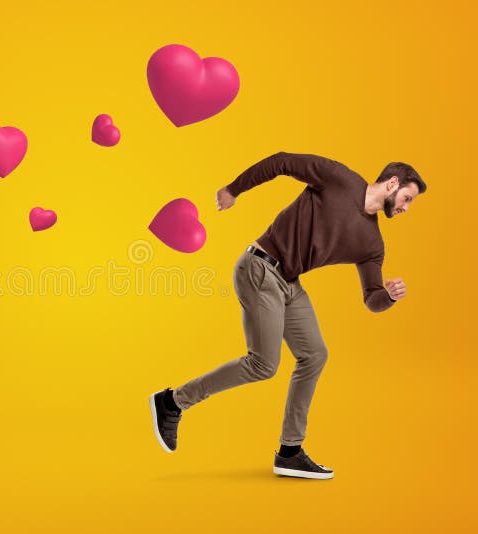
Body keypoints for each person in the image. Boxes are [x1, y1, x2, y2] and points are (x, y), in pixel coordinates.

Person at [150, 152, 426, 479]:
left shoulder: (372, 243)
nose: (406, 207)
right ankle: (173, 401)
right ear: (392, 183)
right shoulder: (339, 177)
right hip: (259, 268)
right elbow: (282, 162)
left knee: (315, 355)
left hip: (288, 283)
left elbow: (372, 298)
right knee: (264, 364)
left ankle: (290, 452)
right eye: (407, 198)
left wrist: (389, 296)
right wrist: (234, 189)